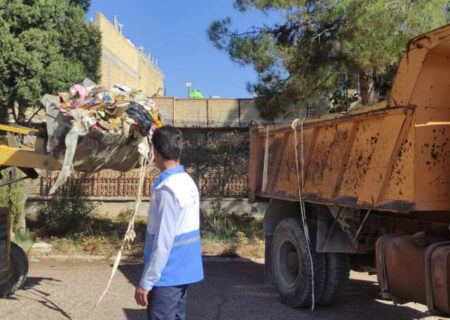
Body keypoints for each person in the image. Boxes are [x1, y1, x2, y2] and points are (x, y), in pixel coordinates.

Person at [135, 125, 204, 320]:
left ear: (155, 152)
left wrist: (146, 283)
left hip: (167, 273)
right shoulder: (187, 181)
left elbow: (163, 243)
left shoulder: (167, 189)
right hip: (183, 270)